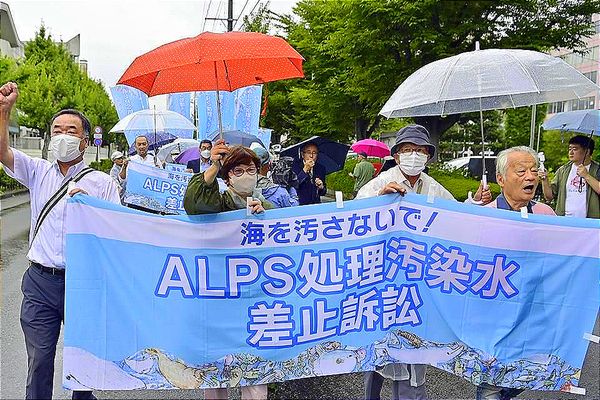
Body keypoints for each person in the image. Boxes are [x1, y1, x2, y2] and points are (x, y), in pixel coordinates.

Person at [0, 82, 120, 400]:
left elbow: (118, 235)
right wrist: (4, 111)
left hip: (85, 283)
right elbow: (3, 152)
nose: (63, 135)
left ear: (85, 140)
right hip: (40, 280)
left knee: (82, 362)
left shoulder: (102, 183)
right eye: (57, 129)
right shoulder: (38, 171)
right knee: (39, 359)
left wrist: (93, 209)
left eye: (71, 130)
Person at [357, 125, 491, 400]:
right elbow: (356, 215)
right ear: (396, 155)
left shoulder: (431, 187)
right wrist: (380, 202)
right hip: (383, 276)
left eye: (420, 151)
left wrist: (476, 203)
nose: (414, 156)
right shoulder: (380, 183)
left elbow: (456, 214)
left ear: (428, 156)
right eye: (408, 150)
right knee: (379, 347)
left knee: (411, 342)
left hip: (417, 277)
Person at [476, 146, 555, 400]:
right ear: (500, 179)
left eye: (534, 170)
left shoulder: (547, 215)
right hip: (493, 323)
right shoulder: (482, 218)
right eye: (521, 171)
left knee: (521, 378)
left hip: (532, 320)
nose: (530, 177)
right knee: (491, 386)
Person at [184, 139, 272, 216]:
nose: (246, 175)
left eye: (251, 169)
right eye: (238, 171)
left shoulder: (266, 206)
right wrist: (215, 165)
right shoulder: (219, 204)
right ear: (227, 178)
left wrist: (265, 218)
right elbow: (194, 203)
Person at [540, 135, 600, 218]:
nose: (571, 152)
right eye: (569, 149)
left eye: (575, 149)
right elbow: (549, 196)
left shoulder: (597, 169)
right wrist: (545, 180)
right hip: (565, 221)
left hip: (590, 223)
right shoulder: (563, 170)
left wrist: (586, 176)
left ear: (587, 151)